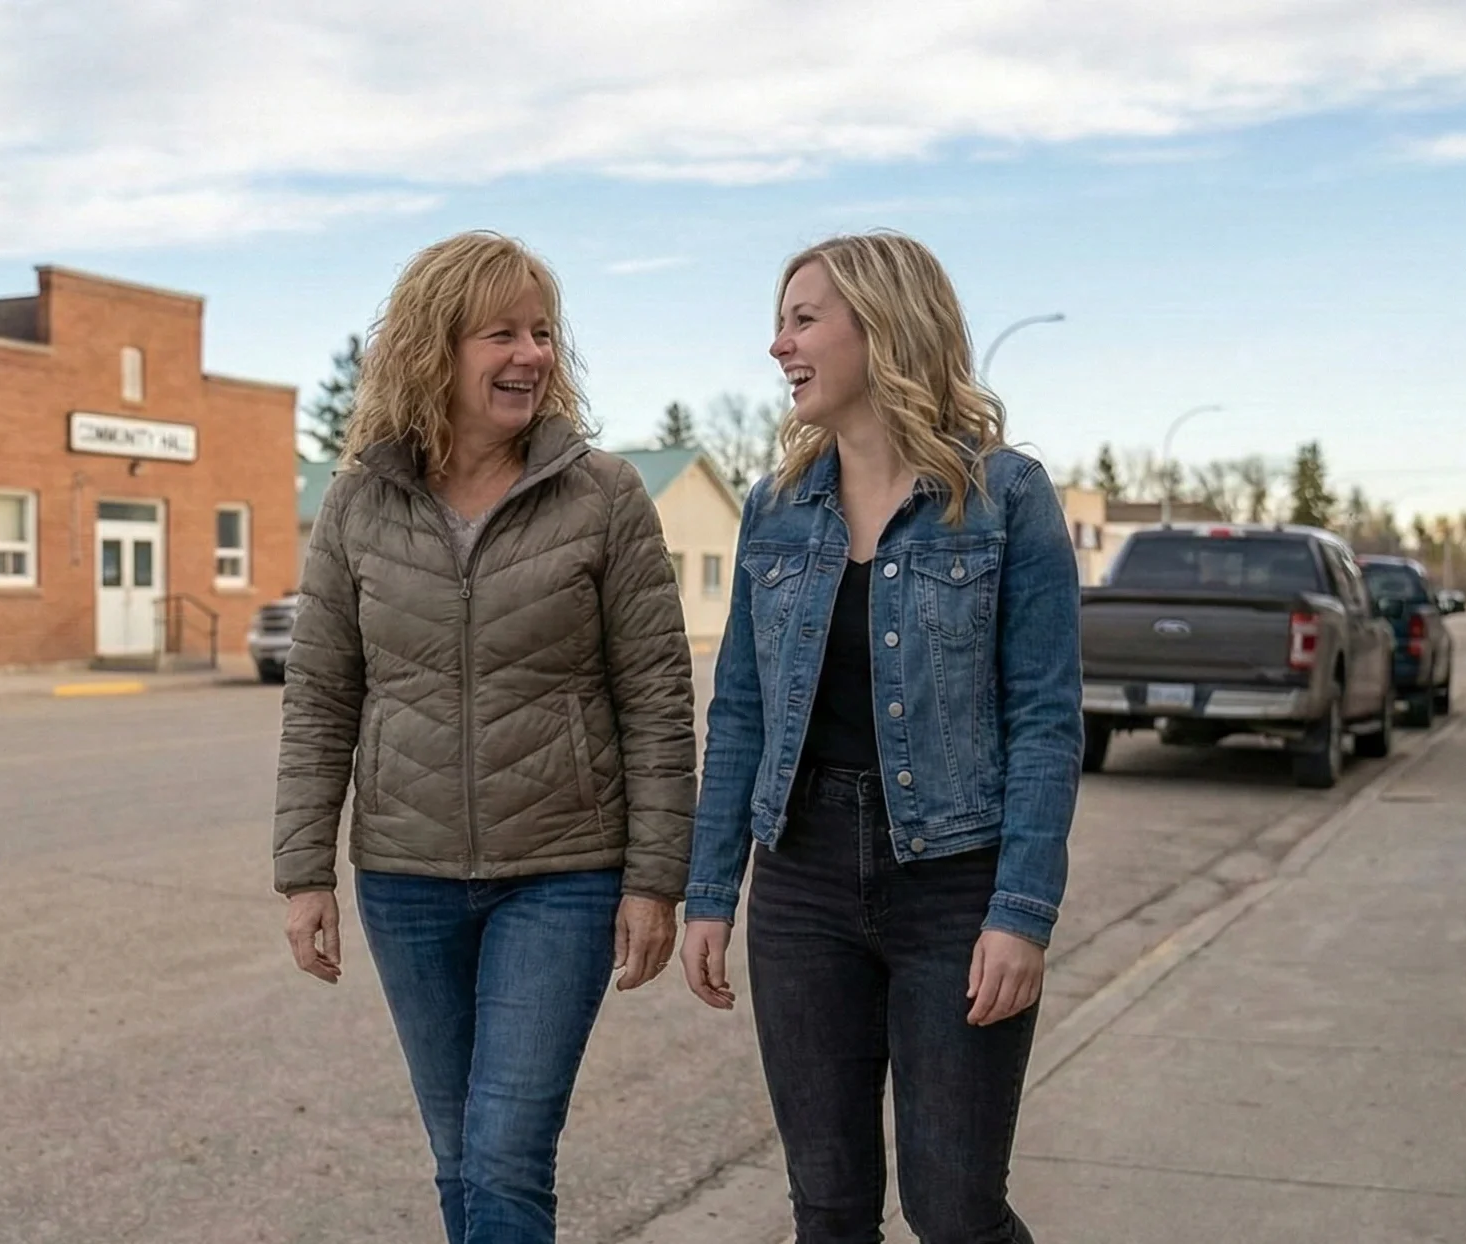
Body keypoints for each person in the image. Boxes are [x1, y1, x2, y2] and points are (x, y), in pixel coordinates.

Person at [273, 231, 697, 1244]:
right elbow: (322, 691)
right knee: (460, 1152)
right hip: (407, 877)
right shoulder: (358, 503)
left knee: (506, 1152)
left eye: (544, 332)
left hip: (563, 873)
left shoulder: (603, 494)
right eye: (501, 332)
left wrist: (655, 877)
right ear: (434, 349)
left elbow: (656, 692)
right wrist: (304, 872)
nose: (532, 354)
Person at [680, 232, 1083, 1244]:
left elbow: (1045, 719)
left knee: (953, 1210)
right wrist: (709, 891)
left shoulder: (1005, 498)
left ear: (885, 327)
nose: (779, 345)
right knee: (830, 1208)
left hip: (953, 883)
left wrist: (1022, 912)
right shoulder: (776, 508)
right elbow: (740, 712)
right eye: (782, 321)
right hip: (803, 879)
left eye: (803, 319)